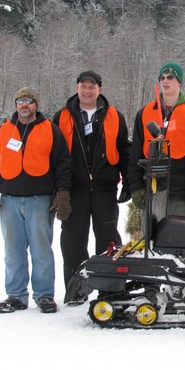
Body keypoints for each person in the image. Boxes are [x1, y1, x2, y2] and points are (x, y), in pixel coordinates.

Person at [0, 87, 72, 314]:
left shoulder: (50, 130)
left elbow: (63, 163)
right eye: (20, 101)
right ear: (15, 105)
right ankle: (16, 296)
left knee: (41, 250)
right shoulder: (3, 131)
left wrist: (63, 192)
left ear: (36, 105)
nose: (25, 105)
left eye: (29, 101)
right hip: (9, 200)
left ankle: (44, 296)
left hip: (40, 199)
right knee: (13, 251)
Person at [52, 71, 131, 300]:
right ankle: (76, 290)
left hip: (104, 188)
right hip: (73, 191)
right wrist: (58, 191)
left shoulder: (115, 116)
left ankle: (110, 290)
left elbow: (125, 151)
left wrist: (127, 181)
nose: (87, 91)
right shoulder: (62, 116)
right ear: (77, 88)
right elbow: (54, 156)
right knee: (73, 241)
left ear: (100, 89)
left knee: (108, 240)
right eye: (83, 86)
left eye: (92, 87)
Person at [128, 62, 185, 220]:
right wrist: (136, 188)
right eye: (162, 78)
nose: (165, 81)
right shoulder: (144, 113)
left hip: (180, 194)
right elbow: (135, 155)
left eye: (170, 77)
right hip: (151, 192)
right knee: (150, 241)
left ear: (179, 82)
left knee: (178, 241)